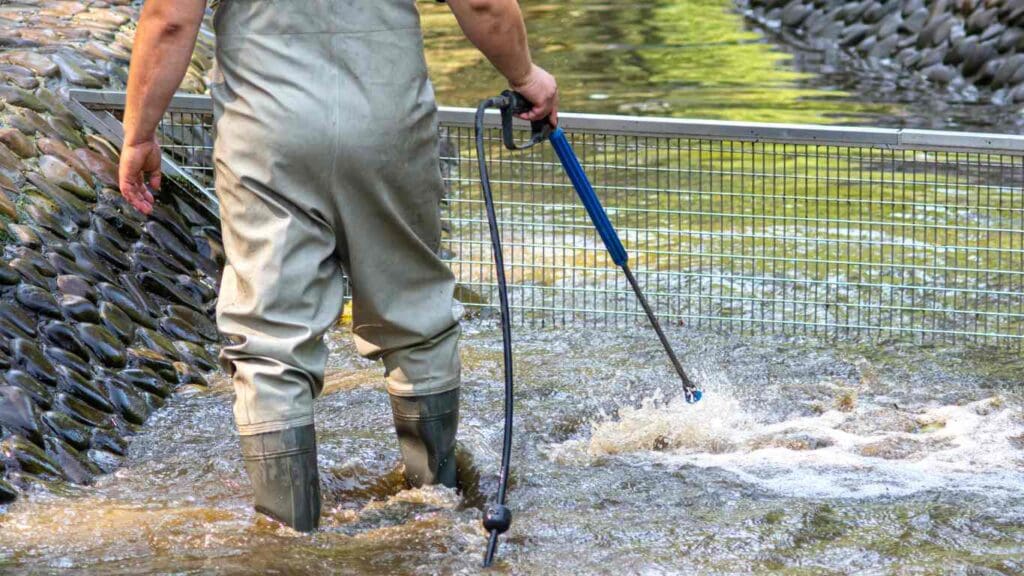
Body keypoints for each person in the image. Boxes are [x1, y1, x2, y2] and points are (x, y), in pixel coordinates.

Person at [118, 0, 558, 532]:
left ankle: (287, 537)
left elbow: (169, 18)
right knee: (415, 315)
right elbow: (482, 4)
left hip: (267, 135)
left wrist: (140, 134)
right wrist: (525, 75)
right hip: (388, 124)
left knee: (269, 339)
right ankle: (435, 505)